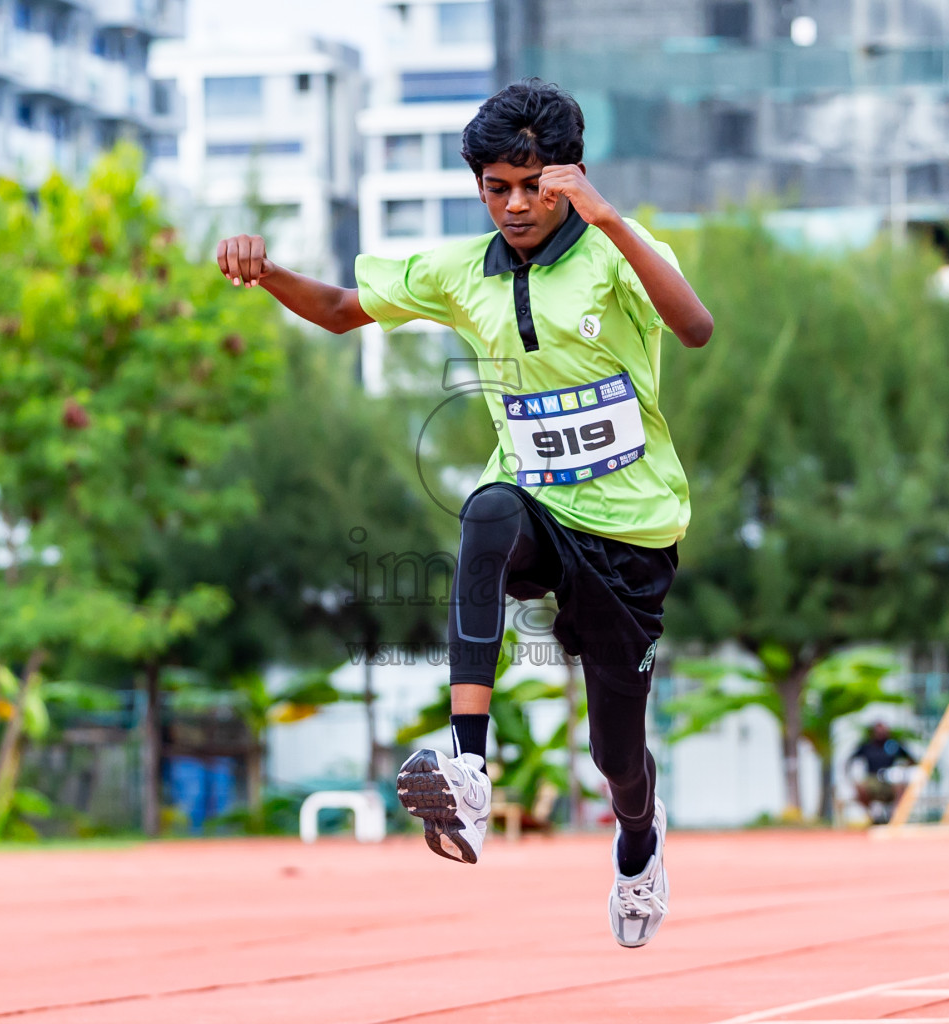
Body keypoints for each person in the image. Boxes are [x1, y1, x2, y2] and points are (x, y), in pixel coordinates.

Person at [214, 79, 712, 948]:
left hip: (629, 530)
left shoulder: (613, 255)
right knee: (486, 512)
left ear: (570, 177)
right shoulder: (456, 271)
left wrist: (611, 220)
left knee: (616, 760)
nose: (515, 205)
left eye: (533, 185)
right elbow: (338, 312)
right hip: (534, 503)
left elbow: (697, 326)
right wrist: (267, 274)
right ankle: (469, 762)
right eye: (496, 187)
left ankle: (640, 839)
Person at [848, 721, 917, 824]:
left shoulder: (893, 745)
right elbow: (850, 761)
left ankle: (895, 816)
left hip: (890, 778)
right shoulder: (867, 746)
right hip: (873, 778)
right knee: (861, 788)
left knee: (901, 787)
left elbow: (912, 760)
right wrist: (852, 779)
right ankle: (873, 815)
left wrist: (902, 769)